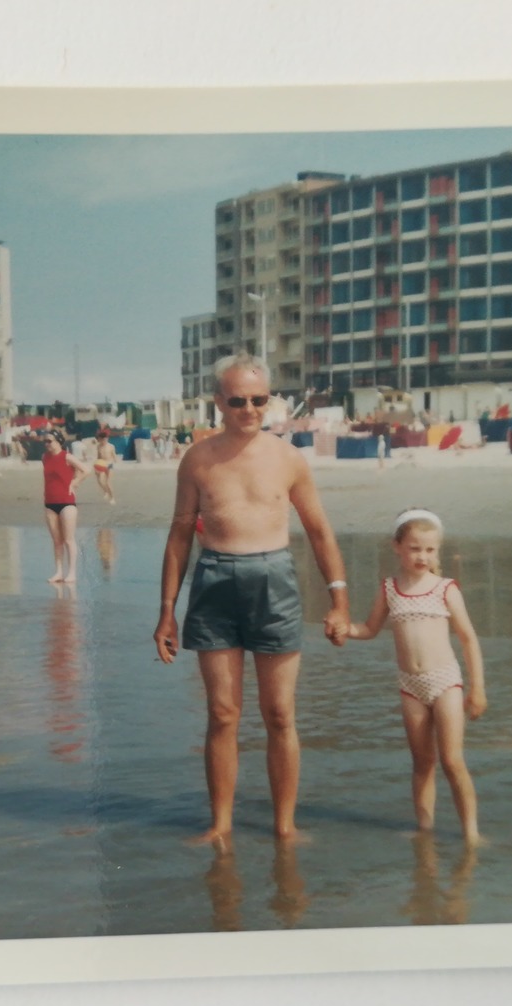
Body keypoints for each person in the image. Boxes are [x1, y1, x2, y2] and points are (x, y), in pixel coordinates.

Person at [154, 354, 349, 847]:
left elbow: (320, 531)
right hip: (215, 579)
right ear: (218, 402)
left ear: (270, 401)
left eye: (258, 400)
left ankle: (285, 826)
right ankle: (220, 825)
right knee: (222, 714)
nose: (248, 410)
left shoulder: (288, 458)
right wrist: (166, 613)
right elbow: (179, 535)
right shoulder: (197, 459)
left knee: (280, 712)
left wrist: (339, 599)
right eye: (237, 401)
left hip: (274, 580)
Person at [344, 508, 488, 844]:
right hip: (410, 686)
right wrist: (344, 629)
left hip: (446, 682)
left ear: (438, 551)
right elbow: (369, 628)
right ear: (397, 547)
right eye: (414, 548)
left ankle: (471, 833)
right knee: (422, 763)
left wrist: (477, 688)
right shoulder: (390, 588)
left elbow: (468, 638)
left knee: (452, 761)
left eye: (429, 549)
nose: (422, 556)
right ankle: (425, 832)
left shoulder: (445, 588)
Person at [41, 430, 92, 583]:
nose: (47, 444)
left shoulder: (66, 456)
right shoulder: (45, 458)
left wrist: (75, 483)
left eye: (49, 441)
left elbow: (86, 470)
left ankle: (72, 573)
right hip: (50, 503)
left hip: (67, 502)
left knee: (69, 539)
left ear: (58, 441)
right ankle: (58, 572)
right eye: (45, 441)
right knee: (57, 541)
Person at [93, 432, 116, 504]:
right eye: (100, 439)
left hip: (109, 464)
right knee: (99, 480)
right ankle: (106, 491)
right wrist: (96, 465)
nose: (102, 441)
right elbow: (98, 456)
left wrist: (114, 462)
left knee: (108, 482)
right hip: (101, 463)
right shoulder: (98, 446)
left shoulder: (111, 446)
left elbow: (114, 456)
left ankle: (112, 498)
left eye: (104, 439)